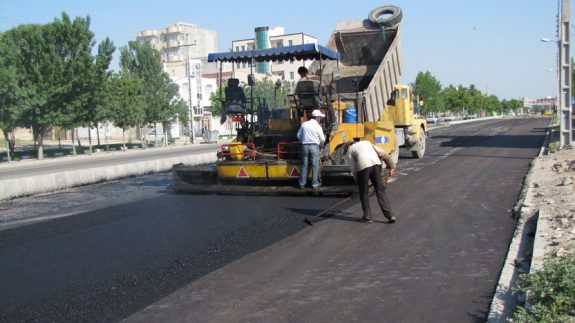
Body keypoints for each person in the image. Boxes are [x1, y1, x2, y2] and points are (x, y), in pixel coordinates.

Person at [343, 140, 397, 223]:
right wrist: (391, 166)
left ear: (348, 146)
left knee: (364, 193)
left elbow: (353, 168)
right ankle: (390, 216)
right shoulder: (367, 143)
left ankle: (368, 217)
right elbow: (384, 154)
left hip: (363, 167)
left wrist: (357, 181)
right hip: (376, 165)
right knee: (380, 191)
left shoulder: (350, 150)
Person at [297, 109, 326, 189]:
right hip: (314, 147)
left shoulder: (304, 124)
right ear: (317, 117)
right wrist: (321, 145)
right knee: (314, 165)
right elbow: (323, 139)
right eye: (320, 117)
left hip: (304, 146)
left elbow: (298, 136)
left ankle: (302, 184)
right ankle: (314, 184)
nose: (320, 119)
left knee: (304, 165)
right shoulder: (318, 126)